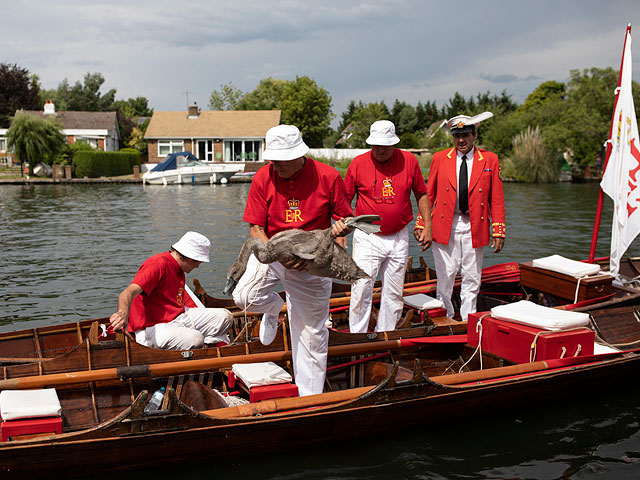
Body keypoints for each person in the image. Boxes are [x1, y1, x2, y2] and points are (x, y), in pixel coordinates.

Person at [232, 124, 353, 396]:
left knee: (311, 334)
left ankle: (309, 399)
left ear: (300, 155)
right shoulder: (263, 177)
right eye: (273, 159)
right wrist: (279, 255)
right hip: (273, 254)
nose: (276, 165)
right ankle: (274, 307)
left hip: (312, 265)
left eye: (282, 160)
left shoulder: (328, 176)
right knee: (243, 297)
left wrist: (341, 231)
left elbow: (345, 220)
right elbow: (256, 229)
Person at [415, 112, 505, 321]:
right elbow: (429, 194)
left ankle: (468, 320)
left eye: (465, 135)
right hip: (445, 223)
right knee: (445, 276)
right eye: (457, 136)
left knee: (472, 277)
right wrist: (422, 224)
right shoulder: (440, 158)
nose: (461, 140)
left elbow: (497, 198)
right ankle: (445, 316)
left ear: (474, 135)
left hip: (475, 224)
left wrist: (498, 230)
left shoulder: (490, 159)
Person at [344, 120, 432, 333]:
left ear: (394, 143)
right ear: (370, 144)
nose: (381, 150)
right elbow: (344, 200)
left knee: (394, 291)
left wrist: (427, 225)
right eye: (376, 145)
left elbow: (421, 193)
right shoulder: (357, 164)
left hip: (398, 235)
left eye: (385, 145)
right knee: (361, 288)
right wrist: (342, 232)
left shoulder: (409, 161)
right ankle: (357, 335)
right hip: (367, 235)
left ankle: (387, 334)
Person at [110, 231, 233, 350]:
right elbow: (127, 293)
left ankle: (208, 347)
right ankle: (198, 346)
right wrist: (123, 314)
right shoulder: (157, 264)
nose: (197, 266)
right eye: (197, 262)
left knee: (225, 316)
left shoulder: (179, 267)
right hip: (151, 328)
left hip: (177, 316)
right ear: (189, 257)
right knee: (196, 339)